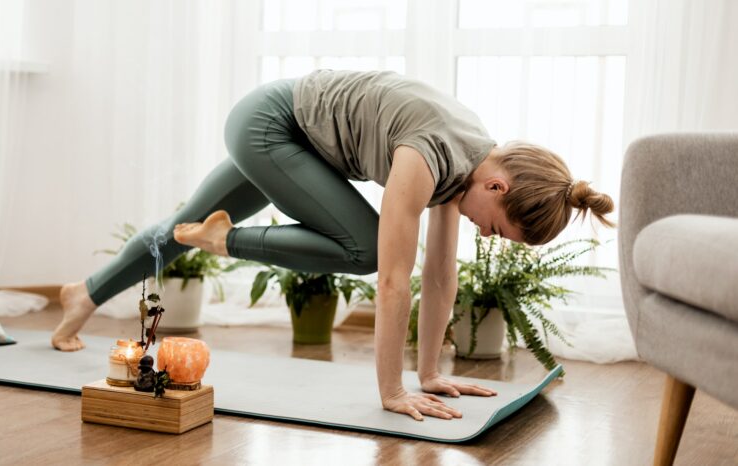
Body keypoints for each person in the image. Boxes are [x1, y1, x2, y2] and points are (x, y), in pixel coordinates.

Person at [51, 69, 615, 422]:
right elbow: (394, 278)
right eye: (496, 228)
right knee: (368, 249)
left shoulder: (467, 166)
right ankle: (227, 239)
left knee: (182, 225)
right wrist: (393, 390)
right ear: (499, 186)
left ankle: (87, 293)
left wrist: (430, 375)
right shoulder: (430, 155)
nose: (485, 235)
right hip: (271, 124)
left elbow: (442, 275)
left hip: (298, 138)